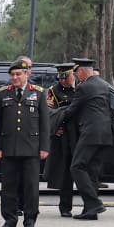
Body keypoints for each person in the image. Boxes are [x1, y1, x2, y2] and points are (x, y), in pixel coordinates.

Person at [0, 56, 49, 227]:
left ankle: (30, 220)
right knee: (8, 187)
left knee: (31, 187)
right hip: (9, 147)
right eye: (12, 75)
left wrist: (44, 147)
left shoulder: (39, 93)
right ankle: (9, 220)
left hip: (31, 148)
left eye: (18, 74)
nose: (15, 78)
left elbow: (44, 123)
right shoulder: (3, 93)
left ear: (26, 74)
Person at [67, 57, 111, 220]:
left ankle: (94, 203)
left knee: (77, 167)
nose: (76, 76)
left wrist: (54, 116)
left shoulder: (84, 87)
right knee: (92, 171)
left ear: (82, 72)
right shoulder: (103, 84)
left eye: (77, 73)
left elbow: (72, 110)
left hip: (91, 132)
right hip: (104, 134)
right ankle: (90, 211)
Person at [45, 63, 77, 216]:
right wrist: (54, 127)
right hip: (63, 137)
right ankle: (65, 207)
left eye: (66, 77)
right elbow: (49, 113)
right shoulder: (52, 91)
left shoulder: (80, 89)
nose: (63, 81)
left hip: (78, 135)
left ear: (73, 75)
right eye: (61, 77)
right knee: (65, 173)